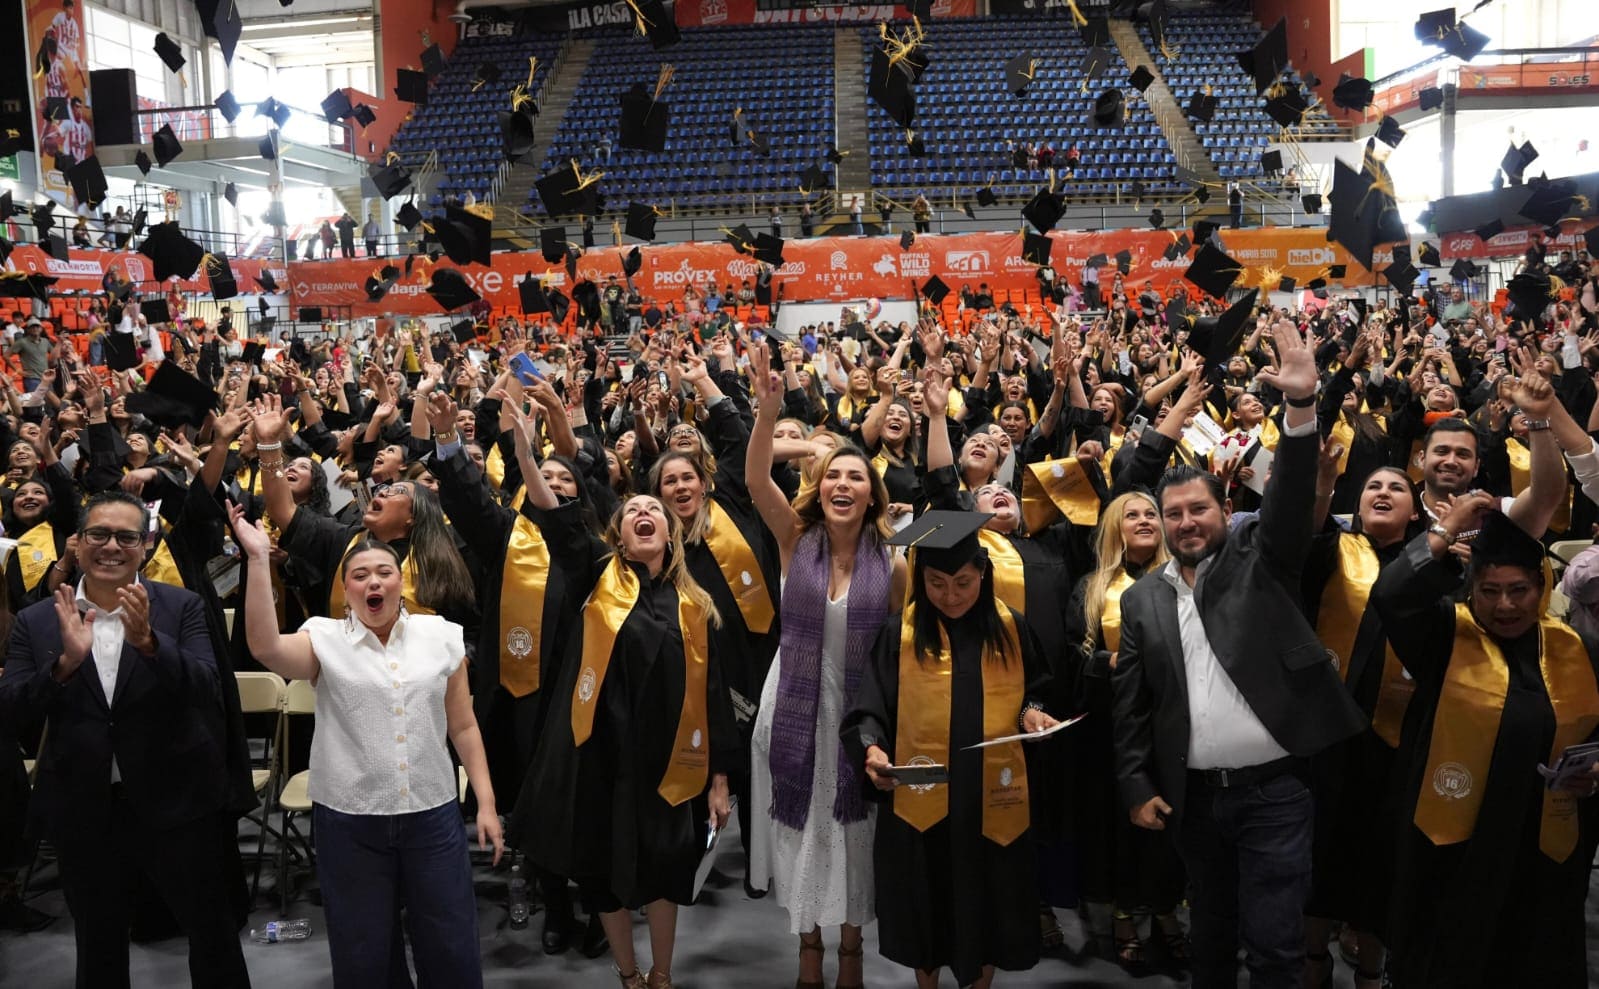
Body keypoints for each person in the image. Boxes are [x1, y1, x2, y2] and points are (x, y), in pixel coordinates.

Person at [1111, 316, 1365, 989]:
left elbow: (1290, 498)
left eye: (1198, 510)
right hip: (1193, 800)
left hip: (1274, 793)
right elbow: (1131, 706)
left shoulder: (1261, 557)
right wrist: (1137, 784)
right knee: (1211, 943)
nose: (1186, 522)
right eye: (1173, 514)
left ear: (1224, 511)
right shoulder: (1141, 600)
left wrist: (1301, 405)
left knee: (1275, 948)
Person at [231, 502, 503, 987]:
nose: (373, 582)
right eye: (359, 575)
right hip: (350, 820)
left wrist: (484, 801)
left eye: (383, 572)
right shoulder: (324, 638)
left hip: (432, 814)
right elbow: (264, 647)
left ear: (401, 582)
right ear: (346, 589)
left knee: (451, 944)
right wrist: (256, 559)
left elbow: (463, 726)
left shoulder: (440, 636)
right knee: (364, 952)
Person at [0, 492, 252, 988]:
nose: (111, 546)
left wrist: (153, 646)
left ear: (146, 545)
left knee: (212, 936)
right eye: (98, 534)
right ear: (77, 543)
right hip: (85, 809)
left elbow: (209, 690)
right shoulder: (39, 618)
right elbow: (10, 712)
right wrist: (64, 667)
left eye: (125, 537)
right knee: (99, 947)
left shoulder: (181, 606)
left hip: (178, 805)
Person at [510, 469, 736, 989]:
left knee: (664, 871)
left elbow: (714, 697)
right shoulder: (596, 579)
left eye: (654, 509)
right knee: (601, 871)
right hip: (601, 757)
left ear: (671, 534)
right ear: (618, 535)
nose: (644, 513)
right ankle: (628, 975)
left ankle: (662, 976)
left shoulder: (695, 607)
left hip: (669, 761)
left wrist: (720, 779)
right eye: (633, 510)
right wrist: (524, 453)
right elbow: (559, 522)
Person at [1373, 505, 1599, 988]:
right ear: (1471, 591)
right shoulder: (1443, 635)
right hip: (1454, 849)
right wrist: (1450, 526)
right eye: (1489, 591)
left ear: (1541, 588)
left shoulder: (1577, 649)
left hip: (1541, 853)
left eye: (1519, 590)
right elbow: (1392, 594)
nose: (1505, 605)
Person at [744, 344, 907, 989]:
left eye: (856, 477)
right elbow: (756, 480)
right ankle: (808, 946)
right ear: (821, 486)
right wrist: (768, 415)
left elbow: (894, 655)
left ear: (872, 494)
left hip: (856, 717)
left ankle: (851, 950)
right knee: (804, 831)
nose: (842, 484)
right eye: (833, 475)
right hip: (793, 707)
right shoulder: (795, 540)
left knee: (855, 834)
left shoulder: (893, 562)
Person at [842, 510, 1061, 989]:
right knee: (928, 913)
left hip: (992, 801)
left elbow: (1038, 690)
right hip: (924, 803)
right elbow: (869, 709)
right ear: (921, 579)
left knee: (989, 913)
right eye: (937, 583)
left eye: (963, 582)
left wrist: (1033, 713)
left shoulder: (1011, 628)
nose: (951, 595)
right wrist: (871, 750)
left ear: (983, 573)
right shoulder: (900, 633)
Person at [1065, 491, 1186, 972]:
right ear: (1115, 527)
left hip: (1171, 722)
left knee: (1170, 820)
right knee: (1119, 823)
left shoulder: (1181, 580)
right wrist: (1116, 661)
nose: (1143, 520)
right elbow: (1075, 656)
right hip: (1112, 724)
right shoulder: (1093, 586)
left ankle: (1165, 909)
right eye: (1131, 515)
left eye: (1150, 513)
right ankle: (1121, 913)